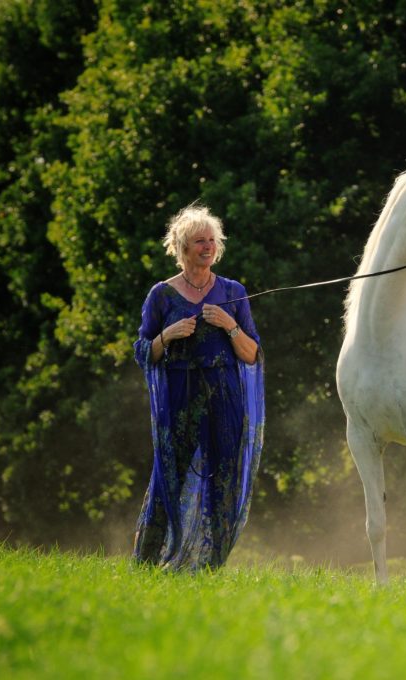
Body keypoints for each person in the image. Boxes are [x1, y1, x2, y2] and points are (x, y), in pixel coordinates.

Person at [131, 204, 264, 570]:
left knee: (224, 479)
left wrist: (229, 325)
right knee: (168, 477)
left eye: (212, 241)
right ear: (181, 247)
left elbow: (252, 354)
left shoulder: (233, 291)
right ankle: (145, 563)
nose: (207, 247)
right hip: (179, 395)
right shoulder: (161, 295)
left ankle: (210, 566)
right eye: (198, 241)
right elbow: (142, 352)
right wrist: (167, 335)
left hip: (225, 396)